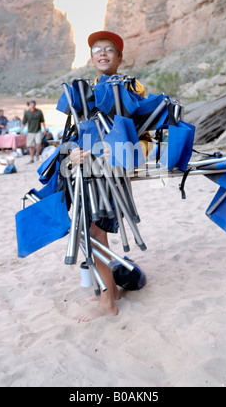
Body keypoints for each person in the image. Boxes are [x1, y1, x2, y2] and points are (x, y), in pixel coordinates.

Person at [69, 30, 148, 322]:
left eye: (109, 50)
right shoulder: (86, 92)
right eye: (97, 49)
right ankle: (110, 293)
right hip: (86, 174)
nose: (102, 53)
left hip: (110, 176)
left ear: (119, 57)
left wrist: (114, 154)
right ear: (91, 58)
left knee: (94, 235)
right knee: (94, 234)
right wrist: (73, 152)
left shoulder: (130, 87)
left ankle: (107, 303)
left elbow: (144, 136)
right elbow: (75, 135)